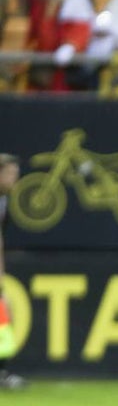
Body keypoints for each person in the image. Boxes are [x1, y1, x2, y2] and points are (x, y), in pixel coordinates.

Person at [0, 153, 24, 389]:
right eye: (9, 173)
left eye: (15, 173)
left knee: (3, 318)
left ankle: (1, 373)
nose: (14, 178)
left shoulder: (4, 200)